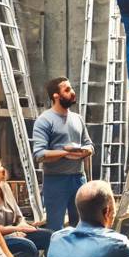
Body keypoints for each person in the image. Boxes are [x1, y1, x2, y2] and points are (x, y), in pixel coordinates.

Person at [32, 77, 95, 232]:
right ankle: (55, 256)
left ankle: (79, 256)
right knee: (55, 229)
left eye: (71, 88)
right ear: (56, 95)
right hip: (55, 181)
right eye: (67, 90)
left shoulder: (77, 119)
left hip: (78, 179)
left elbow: (90, 144)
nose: (72, 93)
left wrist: (86, 150)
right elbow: (39, 154)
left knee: (82, 227)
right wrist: (65, 153)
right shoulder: (44, 120)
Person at [0, 155, 52, 257]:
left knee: (50, 236)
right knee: (28, 247)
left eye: (1, 166)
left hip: (16, 232)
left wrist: (23, 226)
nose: (2, 170)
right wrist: (16, 230)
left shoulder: (5, 187)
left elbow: (19, 216)